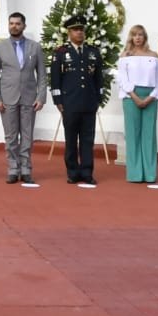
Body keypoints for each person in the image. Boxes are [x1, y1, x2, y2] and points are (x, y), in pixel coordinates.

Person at [0, 11, 48, 184]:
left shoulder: (35, 47)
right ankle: (13, 168)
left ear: (24, 26)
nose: (14, 26)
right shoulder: (0, 47)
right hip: (7, 98)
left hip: (29, 97)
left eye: (17, 23)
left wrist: (41, 96)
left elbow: (42, 75)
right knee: (11, 135)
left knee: (27, 135)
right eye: (11, 23)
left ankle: (26, 168)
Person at [50, 13, 105, 186]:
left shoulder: (93, 52)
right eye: (75, 30)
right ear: (69, 33)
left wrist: (98, 99)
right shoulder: (61, 53)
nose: (79, 33)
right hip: (69, 103)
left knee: (88, 140)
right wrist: (58, 101)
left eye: (81, 29)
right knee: (71, 140)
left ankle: (87, 172)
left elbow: (99, 79)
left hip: (89, 103)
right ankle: (73, 172)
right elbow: (55, 79)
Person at [117, 24, 158, 184]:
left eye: (140, 35)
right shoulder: (125, 56)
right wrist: (135, 96)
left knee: (149, 135)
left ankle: (150, 173)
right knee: (133, 134)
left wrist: (151, 97)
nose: (137, 38)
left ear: (145, 37)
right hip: (131, 97)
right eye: (134, 35)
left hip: (151, 97)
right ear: (131, 37)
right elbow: (122, 79)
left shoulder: (154, 56)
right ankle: (135, 173)